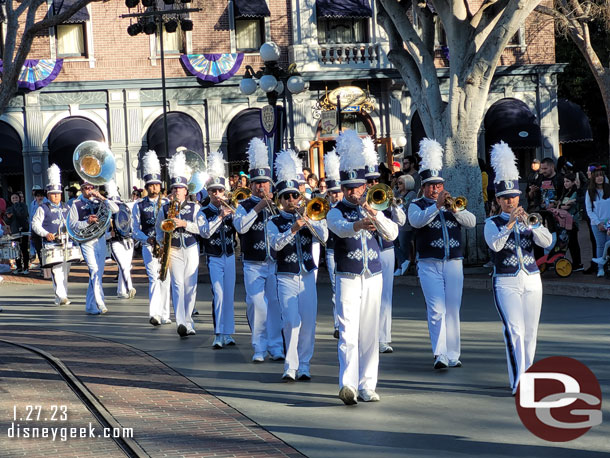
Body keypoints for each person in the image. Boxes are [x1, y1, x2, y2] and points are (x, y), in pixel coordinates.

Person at [327, 129, 398, 405]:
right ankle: (348, 386)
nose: (354, 192)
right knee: (348, 332)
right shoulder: (336, 210)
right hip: (347, 275)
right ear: (343, 189)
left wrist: (375, 215)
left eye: (357, 187)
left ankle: (368, 385)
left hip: (374, 275)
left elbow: (392, 234)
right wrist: (357, 224)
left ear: (364, 187)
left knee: (370, 332)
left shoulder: (374, 205)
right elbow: (340, 230)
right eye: (348, 188)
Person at [484, 142, 553, 395]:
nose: (510, 201)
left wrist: (531, 225)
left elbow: (547, 242)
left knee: (530, 332)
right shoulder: (492, 223)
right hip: (506, 280)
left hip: (532, 279)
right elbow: (496, 245)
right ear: (498, 200)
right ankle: (518, 381)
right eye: (504, 198)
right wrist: (510, 225)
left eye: (513, 197)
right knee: (514, 330)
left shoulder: (531, 218)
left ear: (519, 197)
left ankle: (529, 376)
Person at [408, 138, 476, 370]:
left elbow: (472, 222)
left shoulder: (453, 204)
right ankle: (439, 354)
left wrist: (454, 209)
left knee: (453, 309)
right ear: (423, 187)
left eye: (438, 185)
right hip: (428, 263)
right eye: (430, 185)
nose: (435, 189)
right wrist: (435, 206)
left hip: (454, 262)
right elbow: (416, 223)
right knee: (436, 309)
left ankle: (453, 354)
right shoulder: (416, 205)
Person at [268, 149, 328, 381]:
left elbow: (323, 238)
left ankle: (304, 364)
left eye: (295, 196)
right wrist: (293, 229)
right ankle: (290, 365)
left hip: (307, 275)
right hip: (285, 276)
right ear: (280, 201)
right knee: (291, 320)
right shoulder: (274, 221)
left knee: (309, 322)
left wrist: (310, 221)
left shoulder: (310, 215)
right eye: (287, 197)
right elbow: (275, 245)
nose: (292, 200)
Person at [233, 138, 284, 362]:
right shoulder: (242, 206)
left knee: (274, 304)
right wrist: (258, 207)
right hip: (253, 261)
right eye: (257, 183)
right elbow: (241, 227)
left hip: (274, 260)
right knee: (256, 303)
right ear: (251, 185)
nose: (261, 186)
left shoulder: (278, 204)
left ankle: (275, 346)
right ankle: (259, 347)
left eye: (265, 183)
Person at [156, 152, 207, 337]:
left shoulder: (195, 207)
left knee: (190, 285)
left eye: (180, 188)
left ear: (186, 190)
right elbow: (158, 227)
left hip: (191, 248)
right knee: (177, 285)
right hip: (174, 249)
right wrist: (161, 243)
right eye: (175, 188)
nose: (177, 191)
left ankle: (188, 319)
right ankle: (181, 323)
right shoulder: (164, 208)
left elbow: (202, 229)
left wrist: (184, 224)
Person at [363, 137, 403, 354]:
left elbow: (402, 223)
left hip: (386, 250)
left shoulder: (385, 197)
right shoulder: (360, 201)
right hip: (368, 250)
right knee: (368, 296)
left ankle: (383, 338)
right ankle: (369, 336)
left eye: (374, 181)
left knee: (385, 295)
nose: (371, 186)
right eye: (368, 182)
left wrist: (395, 205)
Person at [200, 151, 237, 349]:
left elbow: (240, 229)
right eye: (213, 191)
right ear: (208, 192)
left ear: (224, 192)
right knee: (219, 294)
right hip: (214, 256)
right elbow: (204, 232)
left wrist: (235, 214)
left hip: (230, 254)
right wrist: (220, 217)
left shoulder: (232, 208)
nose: (216, 195)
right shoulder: (203, 211)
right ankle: (218, 333)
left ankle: (228, 333)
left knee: (229, 294)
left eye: (219, 191)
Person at [132, 150, 172, 326]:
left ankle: (165, 314)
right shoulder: (139, 205)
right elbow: (134, 229)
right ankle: (154, 313)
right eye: (150, 185)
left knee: (166, 278)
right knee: (153, 278)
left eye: (156, 185)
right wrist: (146, 239)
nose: (154, 188)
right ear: (146, 187)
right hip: (149, 245)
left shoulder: (168, 204)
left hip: (166, 245)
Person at [69, 180, 120, 314]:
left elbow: (116, 209)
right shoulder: (76, 204)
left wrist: (102, 198)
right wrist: (87, 222)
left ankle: (90, 306)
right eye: (86, 188)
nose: (89, 190)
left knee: (98, 273)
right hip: (87, 240)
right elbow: (73, 225)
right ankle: (100, 302)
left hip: (100, 238)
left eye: (91, 187)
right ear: (81, 189)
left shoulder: (99, 202)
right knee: (94, 270)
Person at [31, 164, 72, 305]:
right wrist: (46, 233)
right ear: (48, 195)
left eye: (58, 194)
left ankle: (61, 295)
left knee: (65, 272)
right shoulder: (43, 208)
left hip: (67, 243)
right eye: (54, 194)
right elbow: (35, 224)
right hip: (51, 244)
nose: (56, 196)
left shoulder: (67, 207)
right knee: (57, 270)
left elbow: (73, 223)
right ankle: (61, 296)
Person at [323, 149, 343, 339]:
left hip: (346, 250)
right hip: (331, 250)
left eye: (338, 192)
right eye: (332, 193)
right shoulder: (325, 207)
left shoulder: (346, 207)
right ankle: (337, 324)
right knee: (336, 288)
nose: (335, 196)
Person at [106, 180, 136, 299]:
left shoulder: (125, 208)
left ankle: (121, 291)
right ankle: (130, 288)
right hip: (115, 242)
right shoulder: (106, 212)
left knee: (126, 266)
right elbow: (103, 233)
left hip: (128, 240)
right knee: (123, 265)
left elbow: (131, 223)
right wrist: (109, 235)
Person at [585, 167, 610, 277]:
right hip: (597, 224)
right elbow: (589, 210)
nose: (599, 178)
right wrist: (598, 223)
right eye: (597, 176)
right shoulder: (590, 192)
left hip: (609, 222)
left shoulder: (608, 189)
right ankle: (600, 269)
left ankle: (608, 267)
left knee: (608, 245)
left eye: (601, 175)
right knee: (600, 245)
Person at [556, 172, 583, 271]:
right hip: (564, 221)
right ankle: (574, 262)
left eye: (567, 181)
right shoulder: (565, 192)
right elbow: (560, 204)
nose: (565, 184)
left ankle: (578, 263)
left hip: (572, 222)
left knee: (573, 243)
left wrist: (560, 206)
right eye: (564, 182)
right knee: (567, 242)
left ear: (573, 182)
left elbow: (566, 206)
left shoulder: (575, 193)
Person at [394, 174, 417, 276]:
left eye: (400, 183)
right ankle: (403, 262)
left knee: (404, 247)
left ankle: (400, 268)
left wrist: (396, 200)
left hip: (406, 225)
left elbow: (405, 205)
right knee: (393, 244)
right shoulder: (397, 193)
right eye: (397, 183)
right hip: (396, 224)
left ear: (407, 183)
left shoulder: (412, 194)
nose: (398, 185)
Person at [5, 192, 30, 274]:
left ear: (19, 198)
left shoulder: (23, 206)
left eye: (16, 198)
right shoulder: (9, 208)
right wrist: (8, 217)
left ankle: (26, 267)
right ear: (11, 200)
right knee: (16, 249)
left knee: (24, 249)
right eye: (13, 198)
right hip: (14, 232)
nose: (15, 199)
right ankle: (19, 267)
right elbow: (7, 221)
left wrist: (17, 205)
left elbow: (22, 215)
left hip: (23, 230)